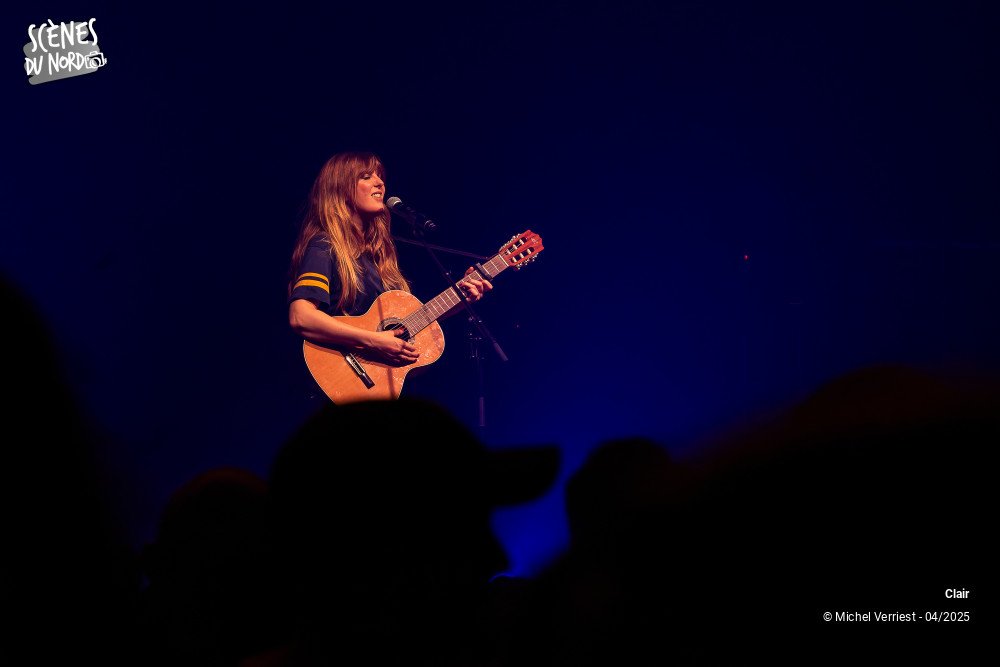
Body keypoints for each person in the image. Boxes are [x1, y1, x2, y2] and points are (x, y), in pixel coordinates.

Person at [287, 151, 492, 372]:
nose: (380, 183)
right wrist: (373, 340)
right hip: (337, 376)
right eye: (366, 177)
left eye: (379, 176)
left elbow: (404, 329)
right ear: (341, 189)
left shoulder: (378, 256)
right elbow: (301, 316)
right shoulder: (324, 245)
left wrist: (461, 297)